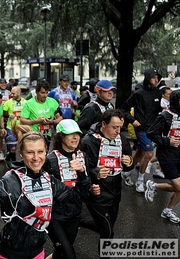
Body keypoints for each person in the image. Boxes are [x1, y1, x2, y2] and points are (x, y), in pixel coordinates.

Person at [0, 123, 90, 259]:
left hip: (38, 253)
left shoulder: (49, 180)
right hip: (11, 255)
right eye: (30, 152)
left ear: (46, 152)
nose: (36, 158)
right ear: (21, 153)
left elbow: (77, 197)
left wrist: (82, 174)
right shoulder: (10, 182)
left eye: (40, 152)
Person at [81, 109, 134, 259]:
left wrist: (128, 162)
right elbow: (81, 169)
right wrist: (96, 172)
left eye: (120, 127)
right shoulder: (88, 141)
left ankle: (79, 221)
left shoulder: (121, 139)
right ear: (103, 124)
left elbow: (129, 164)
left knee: (106, 225)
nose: (118, 131)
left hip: (115, 191)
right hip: (96, 192)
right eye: (114, 127)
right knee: (108, 232)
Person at [44, 119, 98, 259]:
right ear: (61, 136)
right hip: (55, 216)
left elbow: (85, 191)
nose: (75, 137)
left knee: (61, 252)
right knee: (69, 254)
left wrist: (82, 174)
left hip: (74, 213)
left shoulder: (82, 156)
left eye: (77, 134)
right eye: (70, 134)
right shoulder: (50, 159)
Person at [121, 69, 162, 193]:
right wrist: (132, 120)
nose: (156, 80)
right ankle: (140, 180)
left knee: (140, 153)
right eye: (154, 77)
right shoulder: (138, 93)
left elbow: (157, 110)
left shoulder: (158, 92)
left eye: (157, 77)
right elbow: (124, 109)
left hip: (153, 128)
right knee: (149, 154)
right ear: (148, 78)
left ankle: (127, 172)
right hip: (141, 128)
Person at [145, 90, 180, 223]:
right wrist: (167, 141)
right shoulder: (165, 115)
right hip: (166, 156)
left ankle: (168, 210)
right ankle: (153, 185)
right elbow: (151, 133)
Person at [20, 81, 63, 149]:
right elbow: (22, 120)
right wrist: (37, 121)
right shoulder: (28, 104)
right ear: (36, 92)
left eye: (46, 93)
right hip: (33, 135)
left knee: (44, 154)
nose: (45, 95)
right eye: (42, 93)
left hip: (47, 135)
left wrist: (52, 122)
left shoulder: (53, 102)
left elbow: (60, 117)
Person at [3, 86, 26, 167]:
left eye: (13, 93)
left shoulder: (25, 102)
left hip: (22, 128)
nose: (11, 95)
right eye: (11, 93)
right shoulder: (8, 102)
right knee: (13, 148)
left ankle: (8, 157)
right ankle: (13, 164)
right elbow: (4, 113)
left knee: (22, 147)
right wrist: (9, 115)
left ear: (19, 93)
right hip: (11, 127)